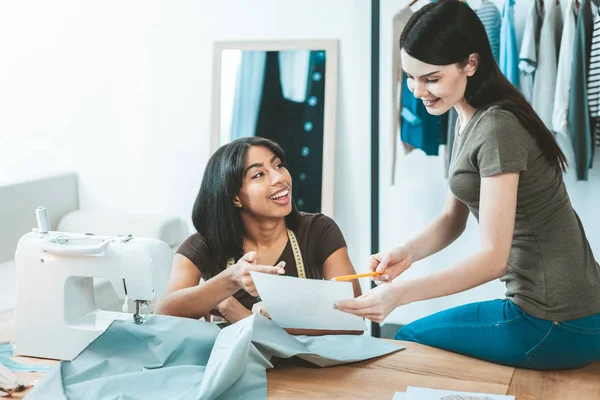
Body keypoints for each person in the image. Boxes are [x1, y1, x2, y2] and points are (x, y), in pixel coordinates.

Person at [335, 0, 600, 370]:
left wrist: (399, 295)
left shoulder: (497, 127)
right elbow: (451, 218)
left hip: (557, 319)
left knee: (409, 338)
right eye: (410, 76)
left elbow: (494, 259)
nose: (417, 90)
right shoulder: (467, 116)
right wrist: (405, 254)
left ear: (470, 64)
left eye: (431, 78)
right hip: (564, 309)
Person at [155, 136, 361, 325]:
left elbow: (354, 315)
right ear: (235, 197)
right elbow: (163, 313)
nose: (279, 178)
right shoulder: (204, 244)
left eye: (278, 165)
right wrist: (230, 279)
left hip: (310, 362)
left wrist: (243, 316)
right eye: (259, 174)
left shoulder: (319, 230)